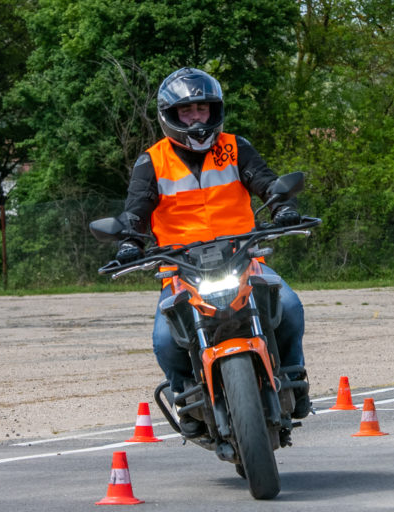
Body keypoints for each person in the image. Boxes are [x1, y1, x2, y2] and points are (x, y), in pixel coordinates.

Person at [114, 67, 310, 436]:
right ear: (170, 116)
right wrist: (129, 242)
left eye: (202, 109)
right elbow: (136, 211)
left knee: (289, 306)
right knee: (163, 339)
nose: (196, 118)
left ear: (214, 111)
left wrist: (282, 207)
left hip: (243, 259)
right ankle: (185, 397)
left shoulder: (236, 147)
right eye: (187, 112)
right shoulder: (151, 161)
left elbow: (265, 182)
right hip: (181, 269)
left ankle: (294, 375)